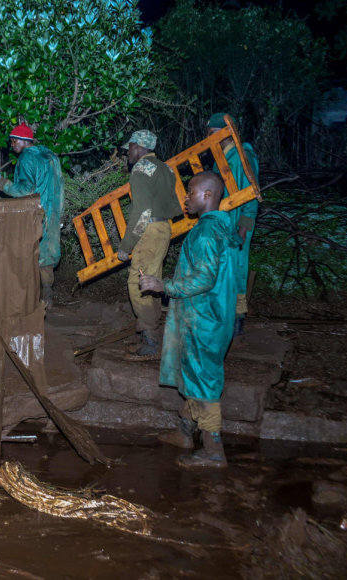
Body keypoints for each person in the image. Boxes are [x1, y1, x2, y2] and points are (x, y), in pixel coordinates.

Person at [140, 171, 241, 469]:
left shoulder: (207, 233)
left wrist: (164, 286)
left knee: (205, 381)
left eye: (191, 192)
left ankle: (213, 450)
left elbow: (204, 278)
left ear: (208, 195)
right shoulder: (222, 227)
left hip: (203, 318)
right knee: (197, 374)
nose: (186, 198)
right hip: (214, 315)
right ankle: (184, 432)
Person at [116, 130, 182, 358]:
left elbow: (142, 212)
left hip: (149, 230)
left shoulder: (141, 169)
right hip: (164, 229)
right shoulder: (166, 168)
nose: (127, 153)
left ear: (139, 147)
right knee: (152, 281)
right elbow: (174, 204)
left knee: (137, 284)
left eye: (130, 148)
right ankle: (153, 333)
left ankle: (150, 338)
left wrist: (127, 245)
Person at [0, 123, 64, 307]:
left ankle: (27, 301)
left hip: (35, 215)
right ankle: (47, 296)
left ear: (23, 141)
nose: (12, 145)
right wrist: (59, 216)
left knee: (27, 254)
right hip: (52, 214)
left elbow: (24, 190)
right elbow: (60, 187)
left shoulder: (27, 158)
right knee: (47, 256)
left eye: (14, 141)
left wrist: (0, 181)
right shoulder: (50, 156)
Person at [206, 113, 259, 336]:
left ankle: (238, 320)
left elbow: (252, 197)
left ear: (225, 132)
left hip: (238, 227)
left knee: (236, 271)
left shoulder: (243, 157)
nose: (207, 138)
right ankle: (220, 316)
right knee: (219, 271)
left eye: (211, 133)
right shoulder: (222, 158)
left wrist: (244, 229)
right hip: (222, 224)